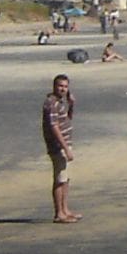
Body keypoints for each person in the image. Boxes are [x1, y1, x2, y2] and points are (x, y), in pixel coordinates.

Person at [42, 74, 80, 223]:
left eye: (65, 86)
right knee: (59, 179)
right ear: (54, 86)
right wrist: (65, 147)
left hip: (65, 144)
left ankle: (65, 209)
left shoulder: (60, 102)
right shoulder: (51, 103)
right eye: (60, 86)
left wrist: (71, 105)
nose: (63, 89)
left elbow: (67, 119)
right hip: (58, 146)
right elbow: (54, 127)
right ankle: (59, 213)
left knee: (65, 178)